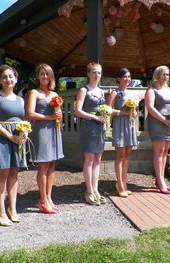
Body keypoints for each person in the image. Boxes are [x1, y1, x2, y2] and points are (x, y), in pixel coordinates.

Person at [0, 65, 25, 226]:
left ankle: (13, 209)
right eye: (4, 77)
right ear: (0, 80)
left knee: (14, 173)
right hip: (2, 138)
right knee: (2, 173)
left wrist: (24, 133)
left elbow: (22, 120)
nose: (8, 79)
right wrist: (10, 136)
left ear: (16, 79)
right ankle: (0, 211)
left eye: (11, 76)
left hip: (17, 139)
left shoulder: (21, 99)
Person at [27, 63, 64, 214]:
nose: (45, 77)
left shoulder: (55, 95)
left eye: (47, 74)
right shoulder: (34, 93)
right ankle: (42, 199)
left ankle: (49, 197)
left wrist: (59, 121)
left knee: (52, 165)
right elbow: (30, 113)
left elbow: (59, 114)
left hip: (54, 131)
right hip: (41, 131)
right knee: (43, 165)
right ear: (38, 76)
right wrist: (48, 117)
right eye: (42, 74)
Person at [74, 62, 107, 205]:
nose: (96, 75)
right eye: (94, 72)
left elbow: (103, 109)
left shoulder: (101, 91)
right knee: (89, 159)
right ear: (88, 74)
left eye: (99, 72)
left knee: (98, 159)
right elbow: (77, 111)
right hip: (88, 126)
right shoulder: (83, 90)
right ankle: (89, 191)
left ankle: (96, 189)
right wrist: (94, 117)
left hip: (100, 127)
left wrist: (105, 117)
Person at [145, 66, 170, 195]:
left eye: (168, 75)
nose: (166, 77)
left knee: (164, 152)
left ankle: (160, 180)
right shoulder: (151, 90)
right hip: (157, 122)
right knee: (158, 152)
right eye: (164, 74)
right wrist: (164, 120)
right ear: (157, 75)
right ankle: (160, 181)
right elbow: (150, 107)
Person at [107, 68, 138, 198]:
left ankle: (124, 184)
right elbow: (107, 109)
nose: (127, 79)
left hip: (130, 125)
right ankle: (119, 185)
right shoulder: (115, 92)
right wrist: (122, 113)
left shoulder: (131, 93)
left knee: (127, 155)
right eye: (125, 76)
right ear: (118, 78)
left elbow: (134, 110)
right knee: (120, 156)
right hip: (120, 124)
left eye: (129, 77)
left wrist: (135, 113)